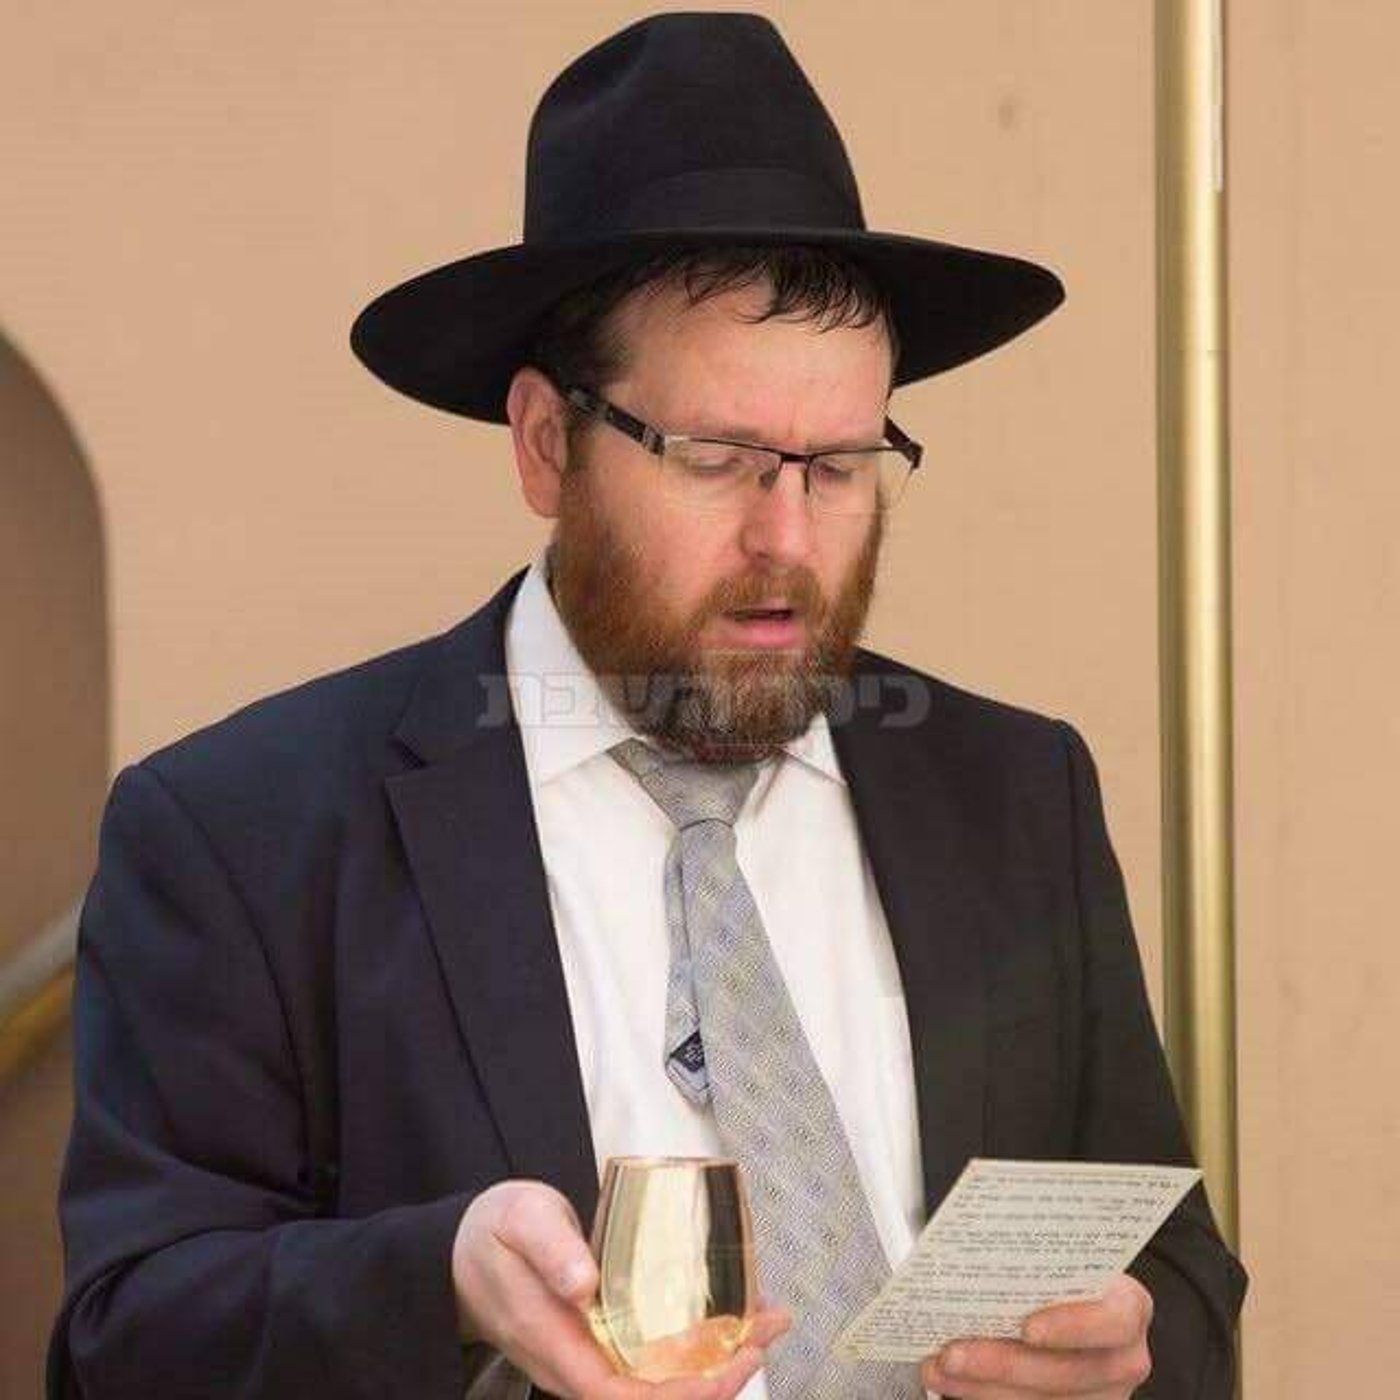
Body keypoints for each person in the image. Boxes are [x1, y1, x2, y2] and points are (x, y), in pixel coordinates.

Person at [50, 12, 1246, 1400]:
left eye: (841, 466)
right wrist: (440, 1279)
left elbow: (1181, 1285)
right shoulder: (241, 833)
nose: (787, 541)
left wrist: (1133, 1344)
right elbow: (123, 1342)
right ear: (546, 445)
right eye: (718, 459)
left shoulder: (1016, 795)